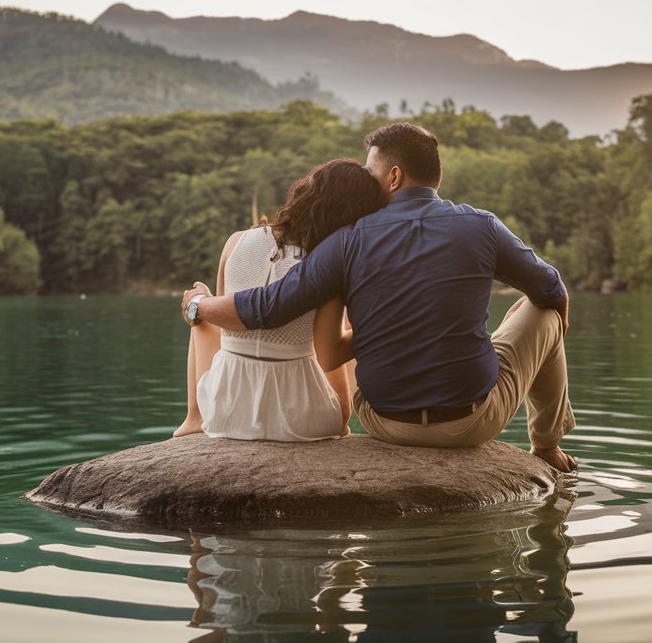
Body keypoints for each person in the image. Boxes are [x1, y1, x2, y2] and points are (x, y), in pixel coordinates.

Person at [181, 123, 577, 472]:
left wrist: (201, 305)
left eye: (371, 174)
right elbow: (551, 289)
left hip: (382, 421)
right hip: (469, 423)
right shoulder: (481, 226)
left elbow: (271, 305)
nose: (366, 184)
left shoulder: (347, 239)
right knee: (539, 310)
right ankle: (546, 447)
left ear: (393, 176)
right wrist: (557, 324)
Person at [174, 158, 385, 441]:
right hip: (303, 421)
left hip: (225, 413)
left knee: (204, 309)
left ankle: (194, 418)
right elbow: (331, 355)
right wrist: (342, 418)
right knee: (344, 328)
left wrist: (198, 302)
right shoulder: (328, 265)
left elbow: (227, 327)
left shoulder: (236, 241)